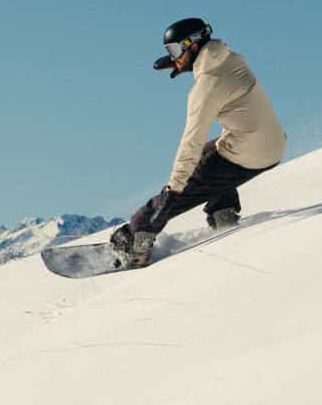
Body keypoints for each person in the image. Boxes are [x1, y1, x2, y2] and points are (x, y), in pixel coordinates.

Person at [108, 18, 287, 267]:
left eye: (173, 51)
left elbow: (190, 142)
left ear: (190, 45)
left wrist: (173, 191)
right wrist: (182, 62)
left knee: (190, 174)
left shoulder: (206, 87)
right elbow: (207, 66)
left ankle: (136, 240)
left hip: (247, 154)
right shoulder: (232, 59)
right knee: (212, 153)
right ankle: (222, 211)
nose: (173, 58)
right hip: (274, 144)